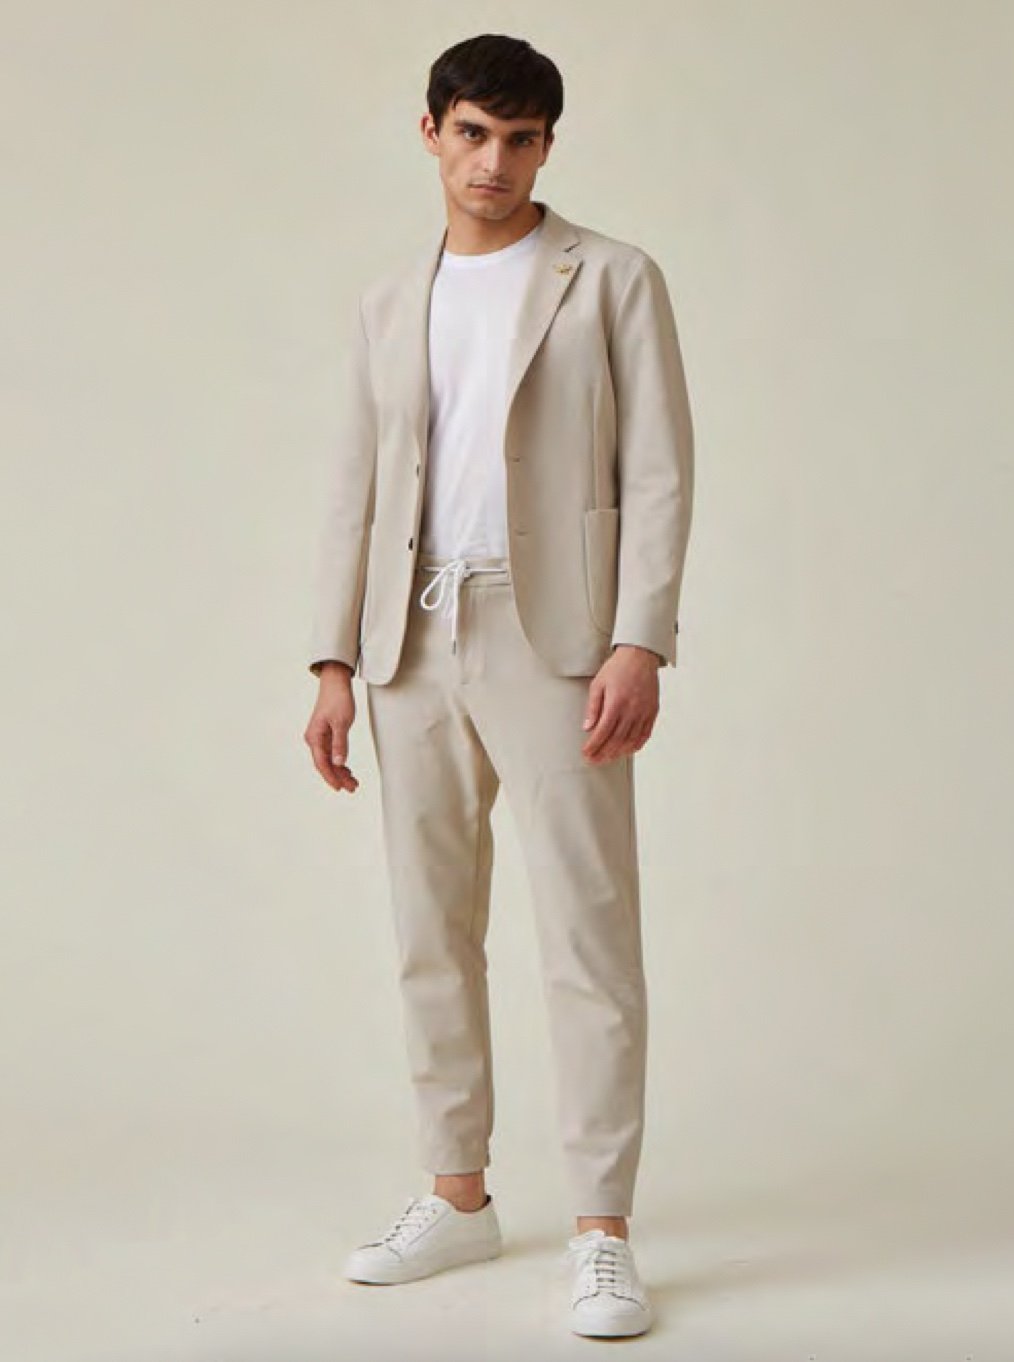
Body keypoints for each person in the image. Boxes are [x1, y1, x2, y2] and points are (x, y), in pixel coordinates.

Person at [303, 32, 694, 1339]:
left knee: (588, 931)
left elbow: (658, 470)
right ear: (431, 132)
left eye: (520, 139)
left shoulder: (613, 278)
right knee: (430, 928)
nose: (494, 162)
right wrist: (333, 659)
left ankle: (601, 1229)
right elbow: (354, 488)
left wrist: (639, 638)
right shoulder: (387, 300)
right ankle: (456, 1193)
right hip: (409, 640)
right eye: (472, 133)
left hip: (558, 640)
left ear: (545, 147)